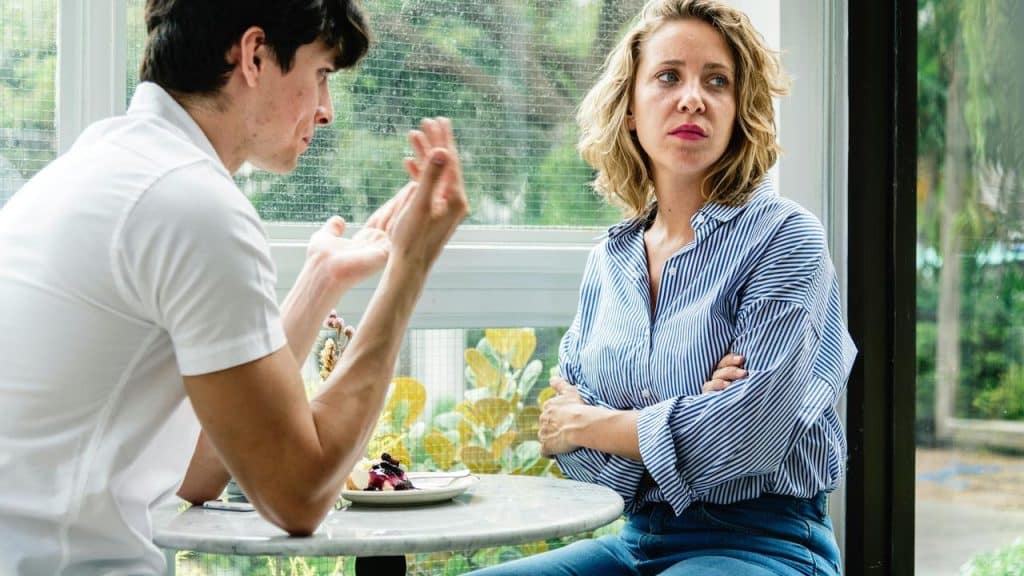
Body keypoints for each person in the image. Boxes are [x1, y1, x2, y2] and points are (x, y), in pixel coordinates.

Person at [0, 1, 467, 574]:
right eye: (321, 75)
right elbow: (298, 498)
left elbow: (199, 469)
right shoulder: (191, 202)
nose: (326, 111)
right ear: (253, 55)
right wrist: (409, 267)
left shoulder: (105, 165)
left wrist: (320, 282)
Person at [469, 1, 856, 575]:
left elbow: (753, 434)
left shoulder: (785, 236)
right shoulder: (609, 260)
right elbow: (571, 451)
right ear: (630, 108)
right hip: (632, 540)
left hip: (765, 544)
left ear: (738, 109)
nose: (692, 97)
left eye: (717, 81)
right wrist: (697, 414)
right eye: (668, 76)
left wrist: (601, 423)